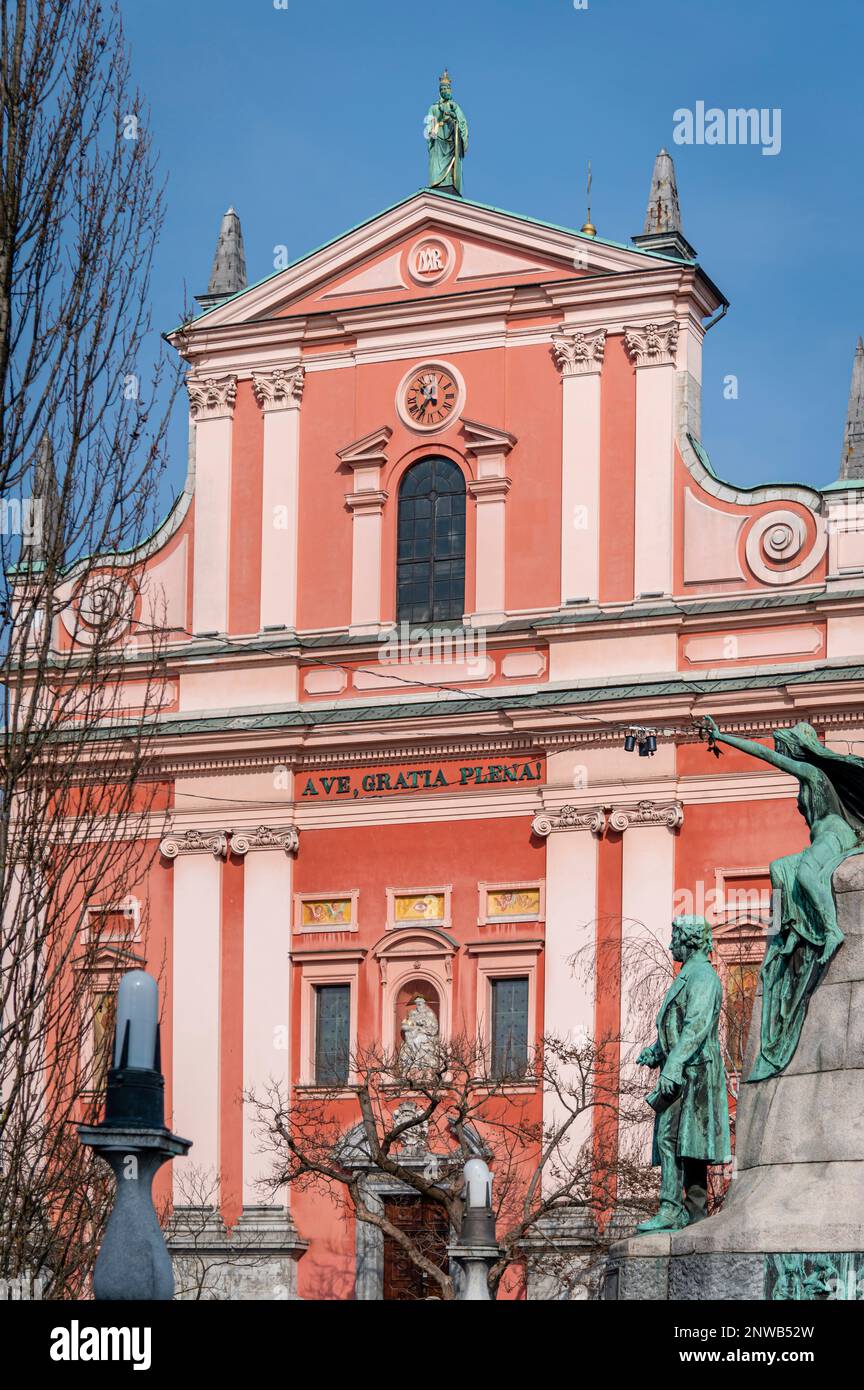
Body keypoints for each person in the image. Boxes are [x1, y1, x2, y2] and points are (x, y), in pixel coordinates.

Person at [636, 915, 731, 1233]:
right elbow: (678, 1027)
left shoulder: (703, 977)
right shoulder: (690, 976)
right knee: (687, 1143)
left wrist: (673, 1065)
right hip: (686, 1068)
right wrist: (657, 1051)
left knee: (674, 1138)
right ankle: (692, 1213)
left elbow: (695, 1028)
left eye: (674, 939)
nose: (670, 945)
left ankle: (673, 1209)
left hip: (694, 1072)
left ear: (688, 941)